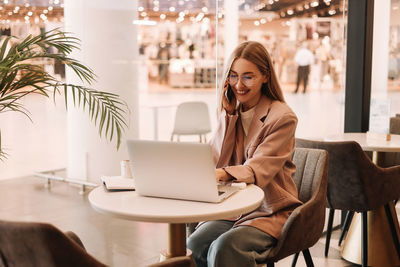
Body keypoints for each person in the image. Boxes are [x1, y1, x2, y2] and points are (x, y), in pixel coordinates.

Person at [186, 41, 302, 267]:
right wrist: (227, 118)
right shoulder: (233, 110)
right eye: (233, 76)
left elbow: (256, 169)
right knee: (193, 246)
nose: (239, 84)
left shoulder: (282, 117)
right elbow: (215, 158)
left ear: (265, 76)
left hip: (268, 210)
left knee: (224, 249)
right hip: (232, 208)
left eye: (248, 77)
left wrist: (220, 175)